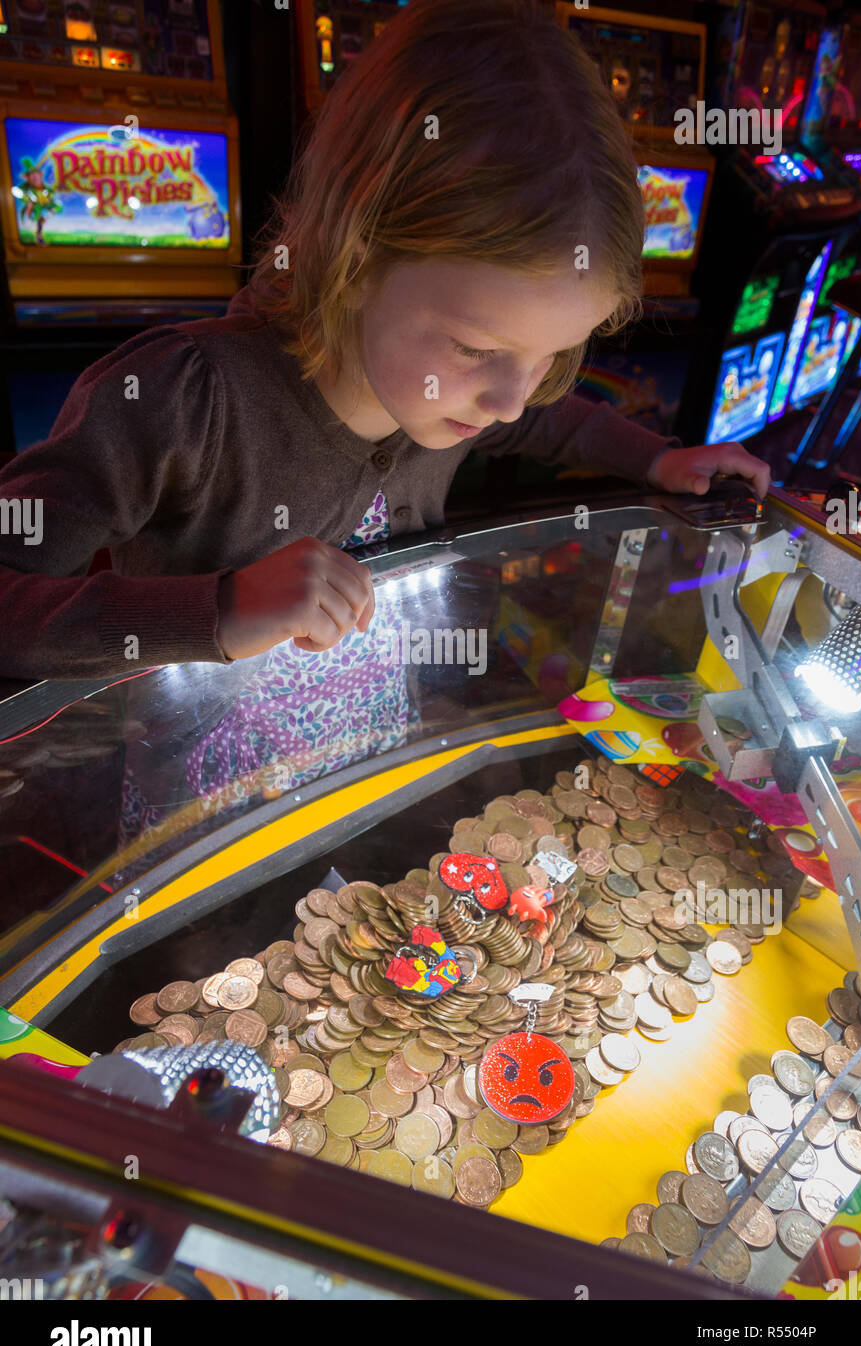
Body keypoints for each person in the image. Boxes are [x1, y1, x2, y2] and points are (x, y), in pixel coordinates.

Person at [0, 0, 770, 850]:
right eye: (480, 347)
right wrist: (214, 610)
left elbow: (549, 426)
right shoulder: (183, 395)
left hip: (365, 776)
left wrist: (659, 457)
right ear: (355, 253)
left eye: (555, 352)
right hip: (202, 837)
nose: (513, 397)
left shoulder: (452, 398)